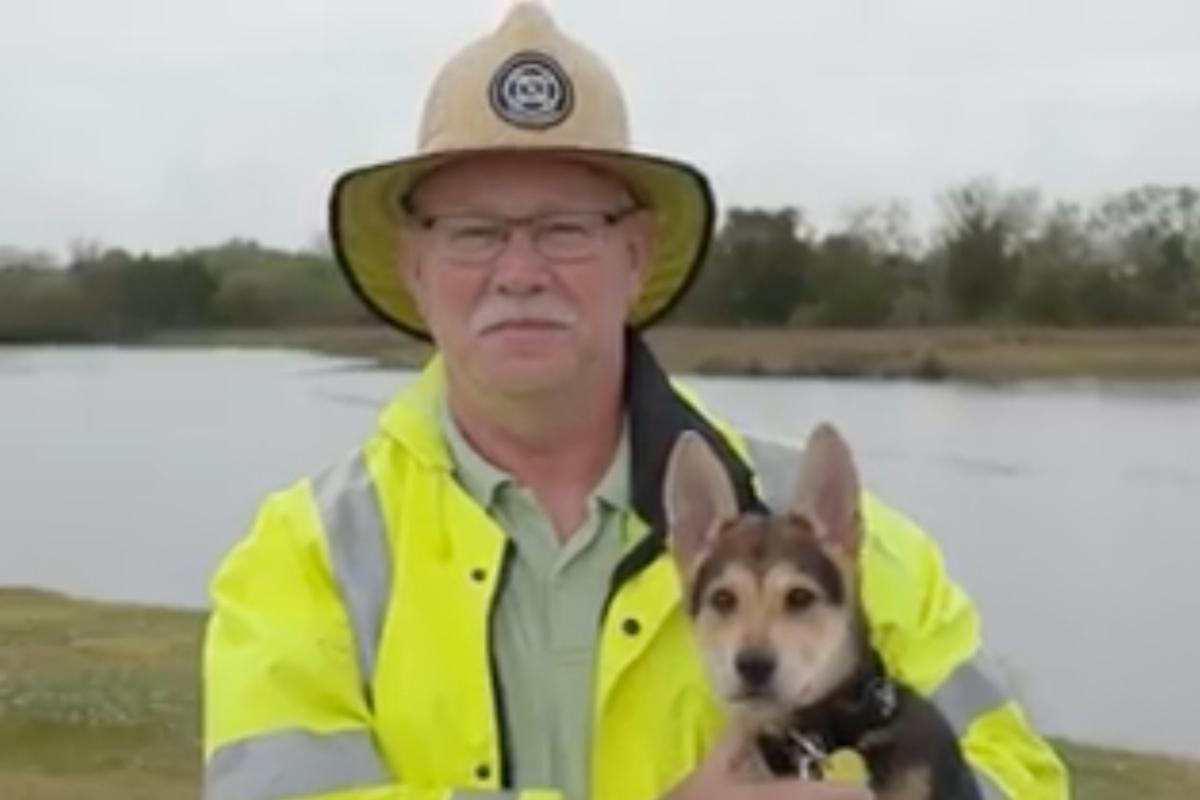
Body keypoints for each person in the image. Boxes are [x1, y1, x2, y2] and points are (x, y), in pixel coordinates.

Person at [201, 4, 1068, 799]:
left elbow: (1021, 778)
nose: (519, 271)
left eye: (564, 229)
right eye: (474, 233)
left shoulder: (820, 531)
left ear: (636, 254)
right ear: (414, 268)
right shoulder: (306, 555)